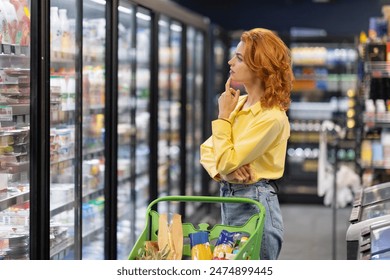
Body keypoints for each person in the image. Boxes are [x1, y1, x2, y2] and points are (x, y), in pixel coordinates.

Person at [200, 28, 294, 260]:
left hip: (254, 202)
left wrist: (222, 118)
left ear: (260, 66)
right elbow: (206, 151)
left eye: (239, 58)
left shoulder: (271, 117)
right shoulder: (239, 103)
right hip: (231, 196)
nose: (231, 61)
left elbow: (225, 159)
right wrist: (226, 175)